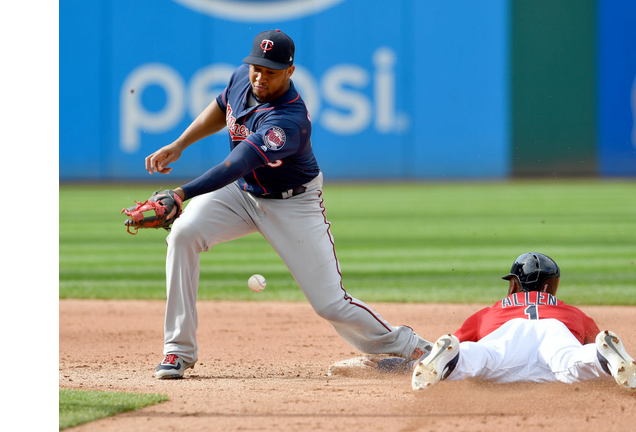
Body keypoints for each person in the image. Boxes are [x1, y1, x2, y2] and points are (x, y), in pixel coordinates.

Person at [143, 29, 432, 379]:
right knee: (183, 234)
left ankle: (413, 347)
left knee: (330, 303)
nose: (261, 77)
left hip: (293, 204)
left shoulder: (287, 120)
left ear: (290, 72)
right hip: (241, 193)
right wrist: (180, 144)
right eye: (257, 68)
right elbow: (223, 107)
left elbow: (237, 163)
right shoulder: (242, 77)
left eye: (272, 71)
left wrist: (180, 194)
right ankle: (178, 351)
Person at [410, 252, 636, 391]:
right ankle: (602, 358)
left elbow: (457, 340)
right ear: (547, 287)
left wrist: (407, 364)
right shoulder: (572, 312)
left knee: (481, 356)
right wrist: (596, 349)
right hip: (555, 329)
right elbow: (593, 336)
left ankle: (450, 362)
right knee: (572, 360)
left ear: (514, 285)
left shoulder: (490, 311)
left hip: (507, 332)